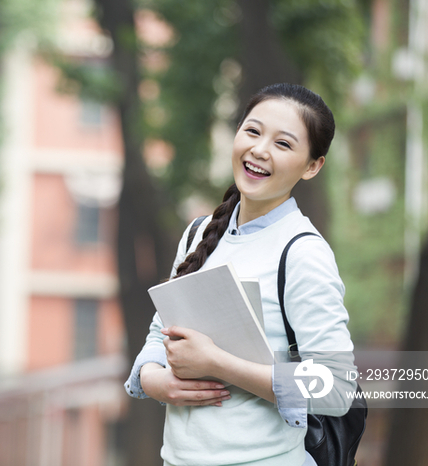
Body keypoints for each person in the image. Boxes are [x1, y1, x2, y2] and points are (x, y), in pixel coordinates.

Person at [124, 83, 357, 466]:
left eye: (283, 144)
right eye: (252, 131)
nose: (260, 150)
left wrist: (216, 364)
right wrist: (157, 382)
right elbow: (158, 333)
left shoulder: (302, 252)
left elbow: (336, 388)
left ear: (312, 166)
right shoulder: (199, 233)